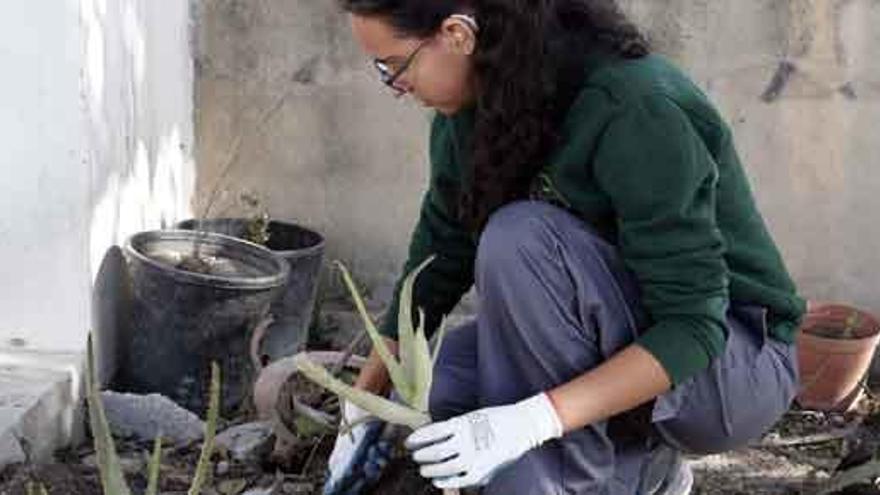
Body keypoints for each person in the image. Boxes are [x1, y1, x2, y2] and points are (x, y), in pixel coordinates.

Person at [323, 0, 806, 494]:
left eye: (394, 66)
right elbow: (437, 261)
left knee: (522, 240)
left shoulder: (634, 106)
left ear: (457, 34)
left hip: (730, 369)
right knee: (439, 388)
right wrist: (360, 410)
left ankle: (570, 481)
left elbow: (693, 328)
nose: (396, 88)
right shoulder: (471, 109)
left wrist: (530, 422)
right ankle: (641, 472)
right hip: (615, 336)